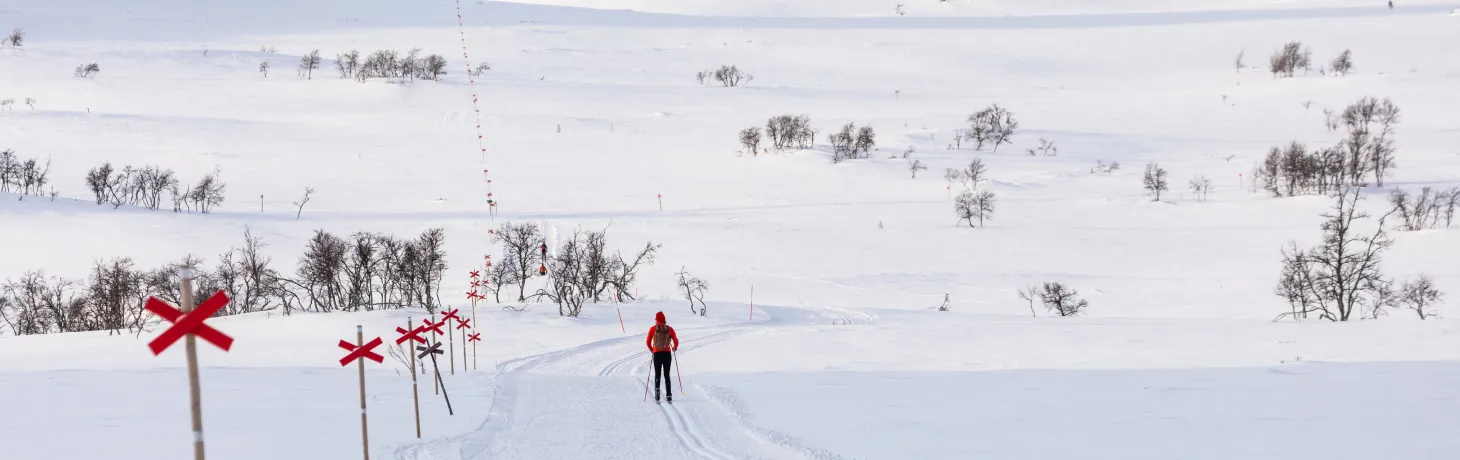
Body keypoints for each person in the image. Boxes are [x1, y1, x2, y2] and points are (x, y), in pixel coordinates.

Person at [645, 311, 679, 403]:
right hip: (667, 354)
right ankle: (668, 395)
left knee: (657, 374)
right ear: (664, 319)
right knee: (667, 375)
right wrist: (675, 348)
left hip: (657, 354)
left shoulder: (653, 329)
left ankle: (657, 395)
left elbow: (647, 342)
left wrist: (652, 349)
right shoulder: (670, 329)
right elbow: (675, 340)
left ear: (656, 320)